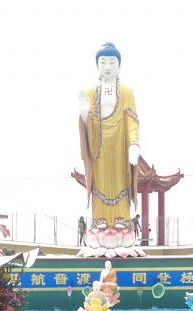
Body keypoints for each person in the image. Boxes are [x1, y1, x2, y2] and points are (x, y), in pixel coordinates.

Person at [79, 42, 139, 235]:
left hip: (120, 145)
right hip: (98, 145)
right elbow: (86, 122)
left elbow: (132, 120)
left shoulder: (127, 92)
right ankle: (100, 220)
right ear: (97, 65)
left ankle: (122, 218)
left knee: (120, 179)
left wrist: (134, 144)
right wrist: (84, 116)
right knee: (101, 180)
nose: (107, 67)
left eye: (112, 62)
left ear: (119, 66)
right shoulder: (90, 92)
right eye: (103, 62)